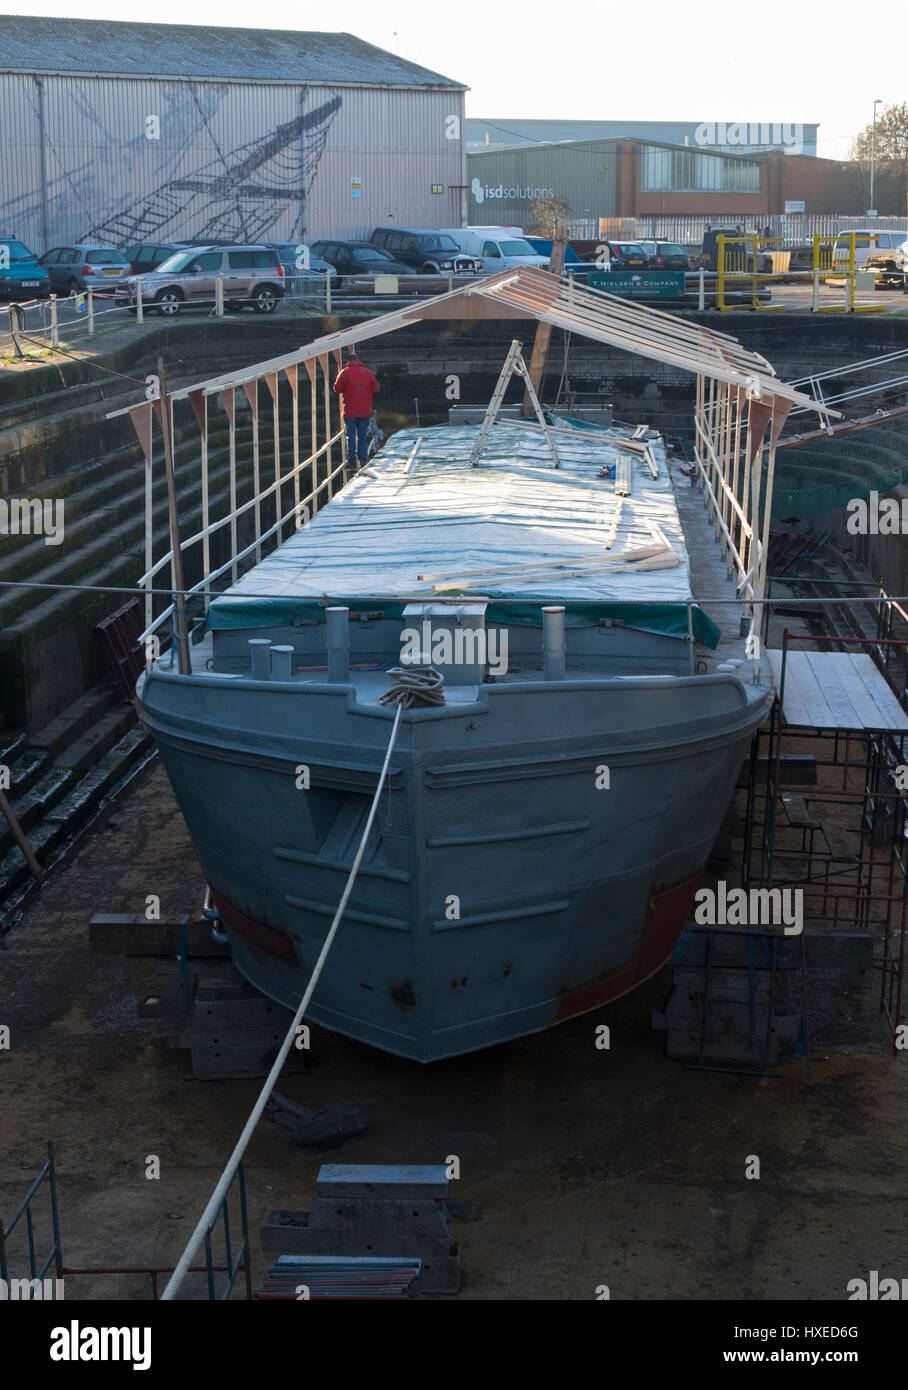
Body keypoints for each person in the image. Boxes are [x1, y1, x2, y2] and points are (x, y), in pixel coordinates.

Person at [333, 350, 380, 469]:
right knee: (362, 436)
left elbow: (337, 388)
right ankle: (363, 460)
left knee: (351, 436)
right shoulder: (368, 372)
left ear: (347, 361)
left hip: (350, 411)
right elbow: (376, 388)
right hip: (365, 411)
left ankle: (352, 461)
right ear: (358, 360)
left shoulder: (344, 373)